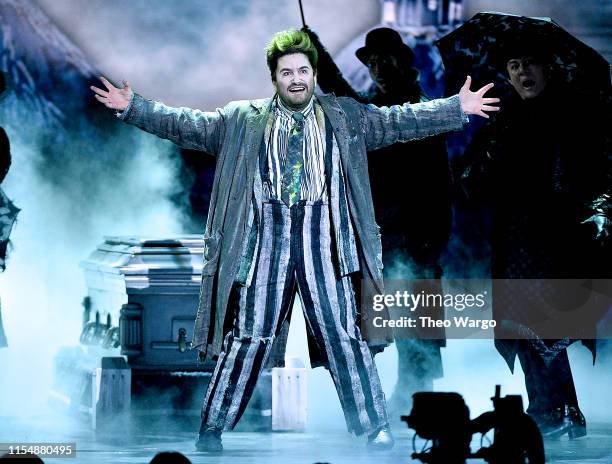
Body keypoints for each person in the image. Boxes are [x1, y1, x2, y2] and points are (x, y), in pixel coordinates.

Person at [91, 29, 498, 452]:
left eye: (303, 70)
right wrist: (135, 108)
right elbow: (187, 125)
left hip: (325, 235)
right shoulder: (243, 118)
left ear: (313, 74)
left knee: (343, 333)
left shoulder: (345, 116)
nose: (296, 79)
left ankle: (374, 425)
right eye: (287, 72)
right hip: (267, 235)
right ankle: (213, 426)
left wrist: (456, 108)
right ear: (274, 77)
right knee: (250, 335)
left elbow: (399, 121)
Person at [460, 38, 610, 439]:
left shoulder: (576, 115)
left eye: (530, 63)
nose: (522, 72)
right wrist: (490, 152)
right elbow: (469, 183)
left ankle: (555, 410)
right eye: (513, 65)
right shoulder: (504, 118)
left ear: (548, 68)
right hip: (515, 241)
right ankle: (556, 411)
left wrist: (600, 211)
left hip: (560, 240)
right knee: (523, 330)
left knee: (546, 329)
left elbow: (602, 172)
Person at [303, 26, 452, 417]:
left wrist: (433, 239)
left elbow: (440, 183)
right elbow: (340, 96)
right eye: (373, 62)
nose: (379, 68)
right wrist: (316, 49)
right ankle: (379, 399)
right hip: (382, 235)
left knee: (417, 328)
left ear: (403, 62)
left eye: (386, 60)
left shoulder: (419, 109)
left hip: (414, 236)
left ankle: (415, 399)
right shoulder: (372, 109)